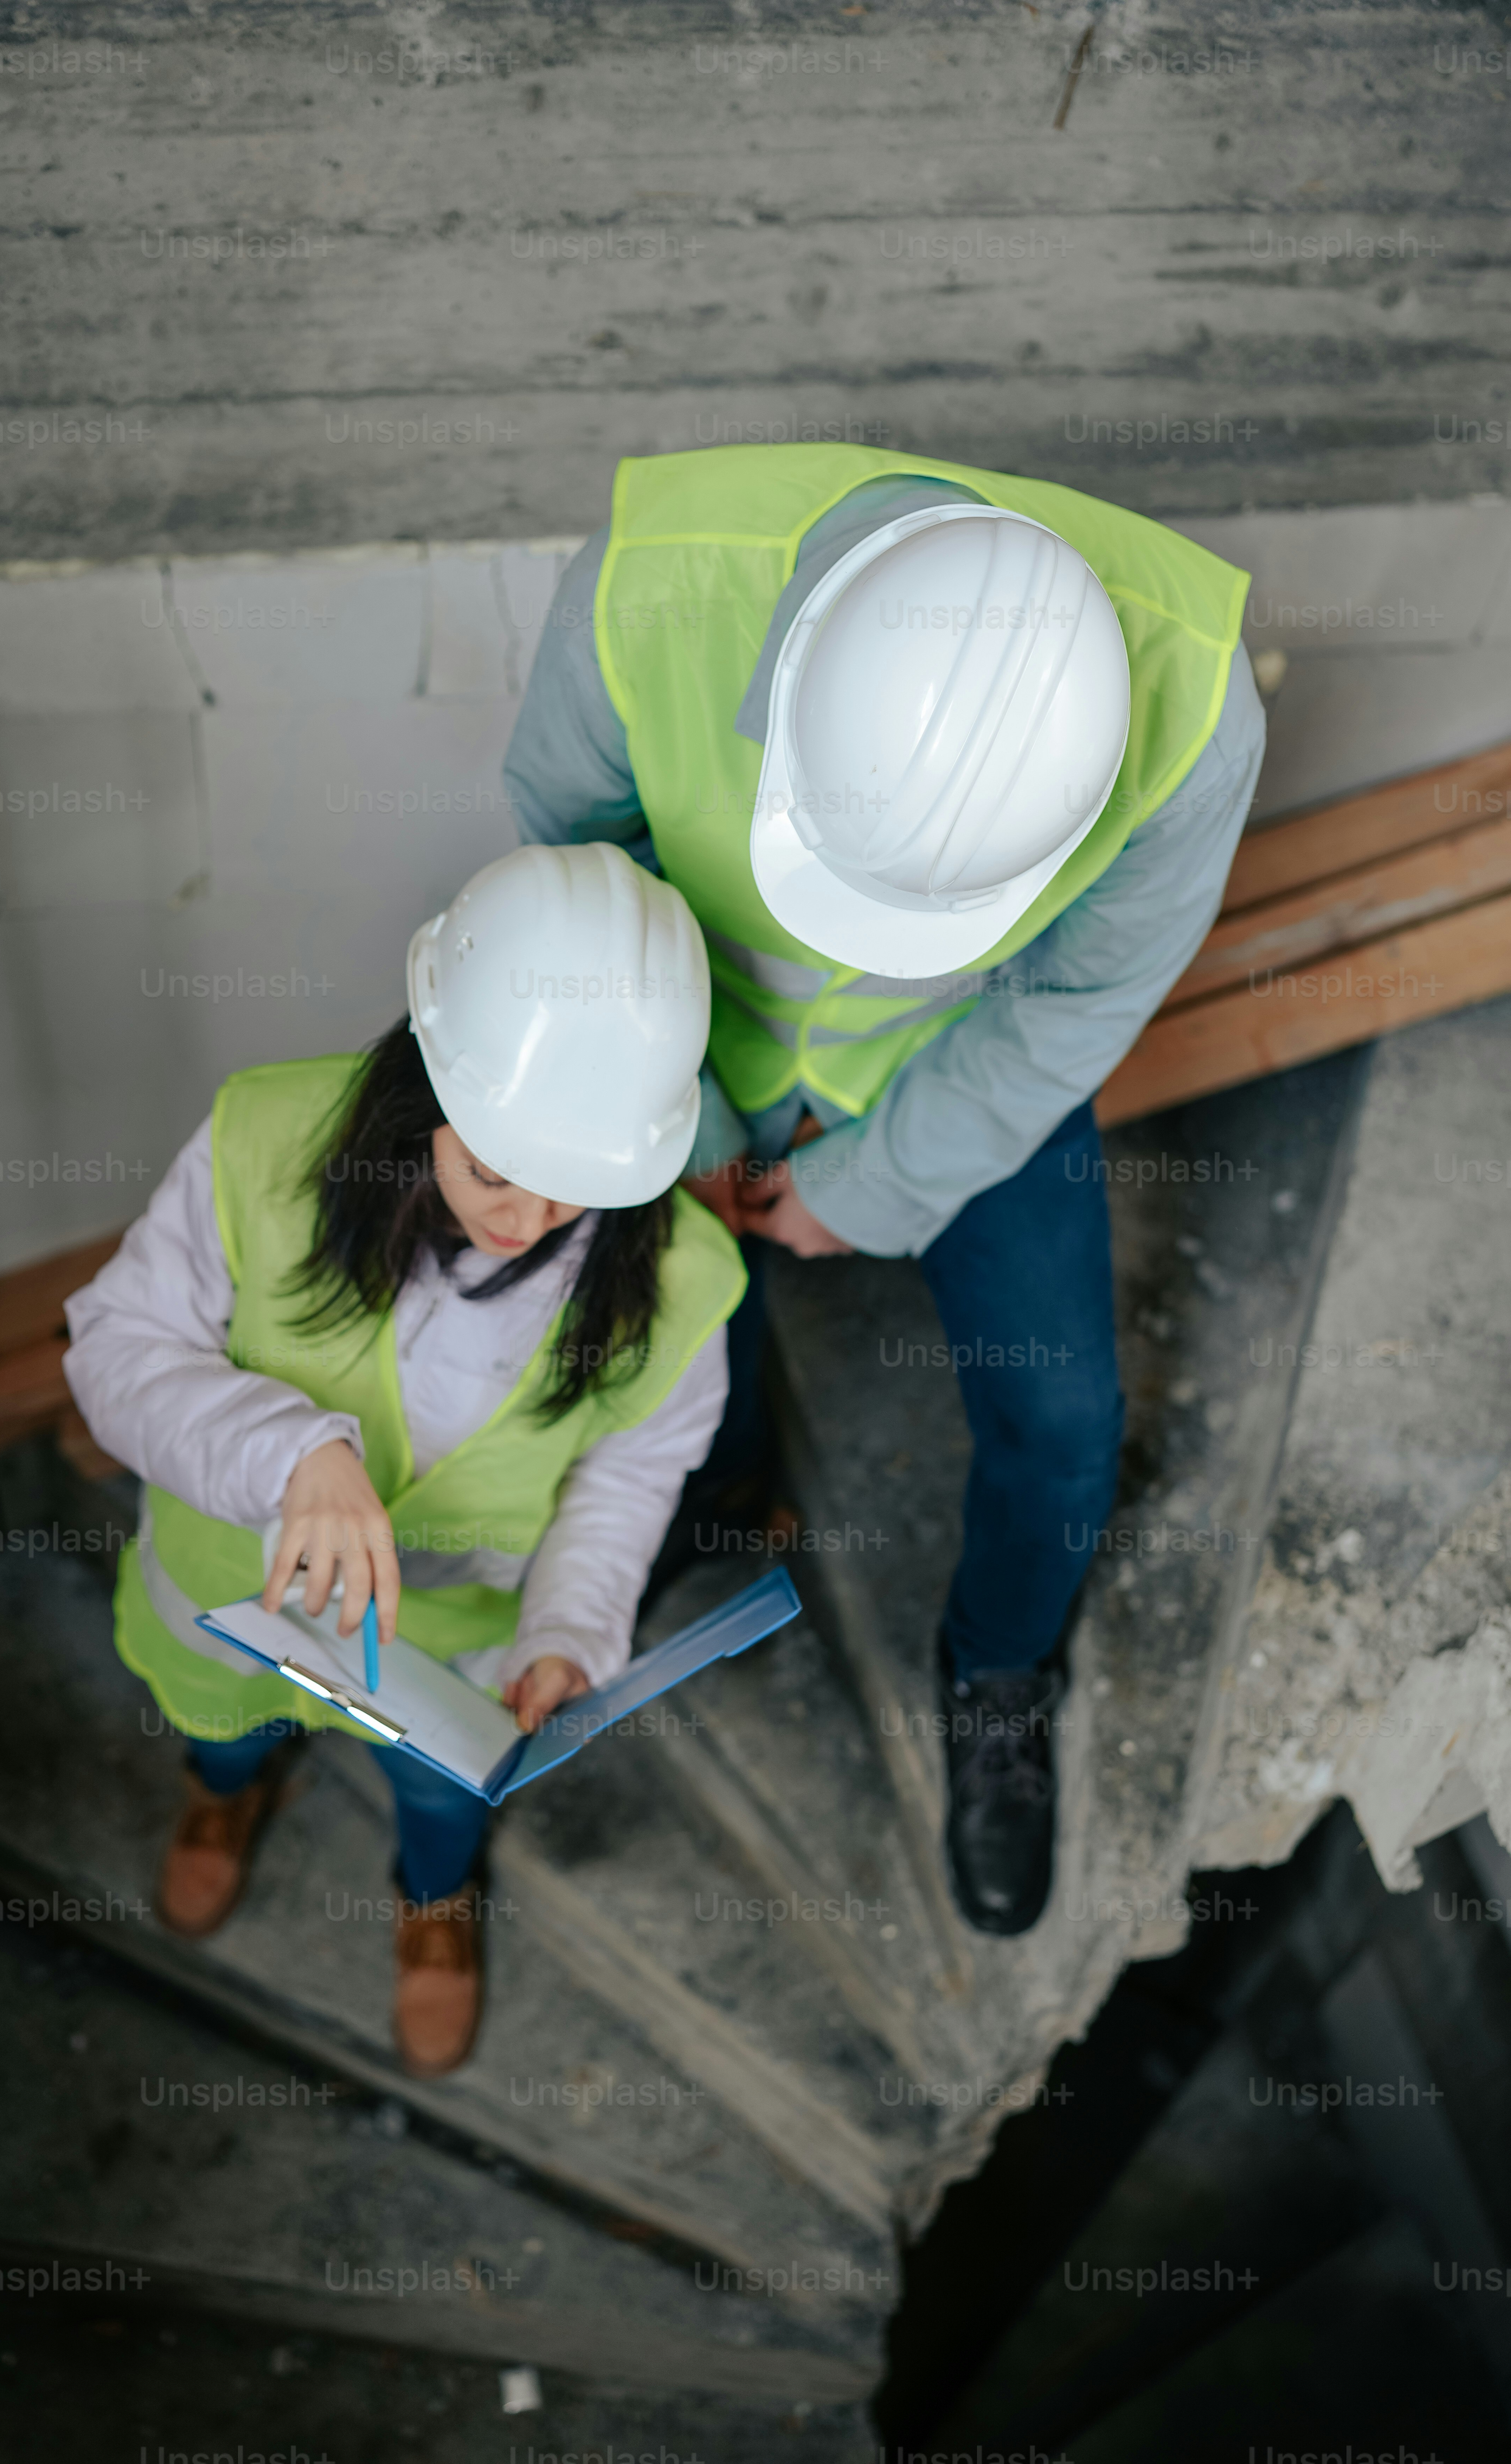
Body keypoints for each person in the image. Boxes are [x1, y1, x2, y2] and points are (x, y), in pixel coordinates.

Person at [505, 443, 1265, 1938]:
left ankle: (998, 1669)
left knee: (1060, 1422)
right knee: (673, 1332)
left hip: (960, 1071)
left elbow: (1071, 1003)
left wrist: (871, 1180)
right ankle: (722, 1504)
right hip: (682, 1035)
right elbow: (575, 872)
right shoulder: (645, 591)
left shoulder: (1195, 721)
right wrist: (698, 1123)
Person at [65, 842, 743, 2074]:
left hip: (454, 1643)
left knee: (444, 1798)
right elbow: (114, 1351)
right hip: (234, 1586)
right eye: (491, 1167)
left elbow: (633, 1473)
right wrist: (287, 1458)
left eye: (573, 1189)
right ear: (430, 1080)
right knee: (224, 1723)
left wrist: (568, 1631)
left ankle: (434, 1903)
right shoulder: (266, 1142)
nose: (525, 1220)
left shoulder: (685, 1282)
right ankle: (226, 1790)